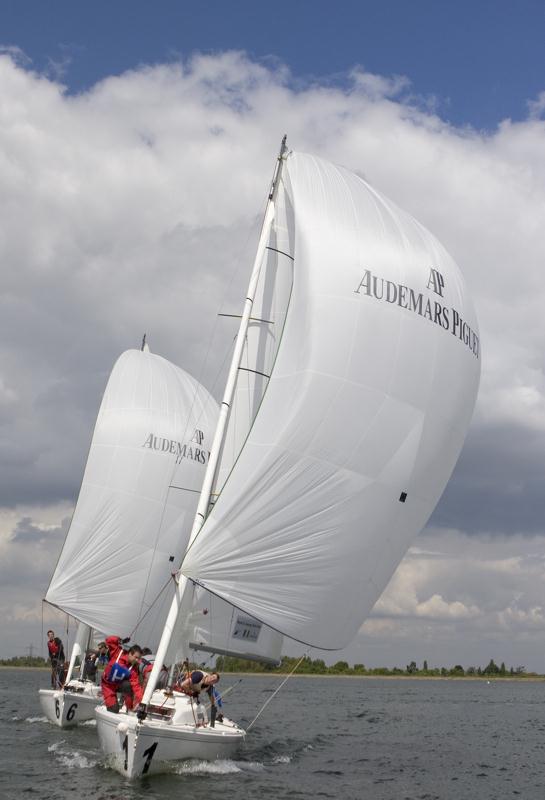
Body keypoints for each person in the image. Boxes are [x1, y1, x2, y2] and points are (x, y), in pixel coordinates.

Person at [101, 642, 143, 713]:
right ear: (130, 654)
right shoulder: (117, 653)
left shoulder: (133, 669)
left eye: (138, 658)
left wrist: (142, 700)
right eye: (136, 657)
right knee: (114, 710)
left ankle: (129, 709)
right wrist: (119, 640)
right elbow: (109, 640)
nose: (137, 660)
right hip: (108, 686)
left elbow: (136, 686)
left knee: (129, 686)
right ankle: (110, 703)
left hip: (118, 685)